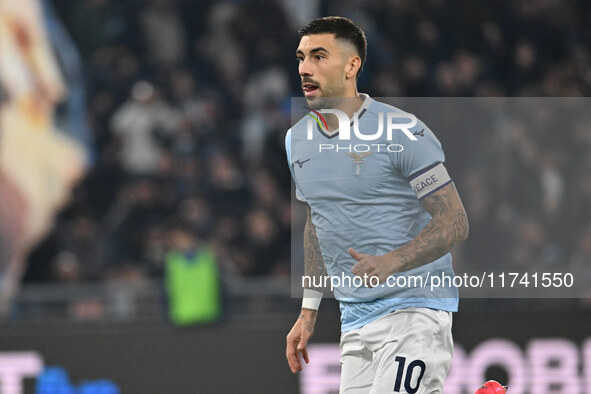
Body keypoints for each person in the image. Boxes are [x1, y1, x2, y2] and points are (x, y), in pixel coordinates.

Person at [285, 16, 469, 393]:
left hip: (414, 312)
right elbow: (316, 222)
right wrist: (309, 308)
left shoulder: (403, 131)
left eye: (319, 56)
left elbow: (454, 221)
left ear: (352, 65)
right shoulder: (297, 140)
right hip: (354, 322)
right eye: (302, 57)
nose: (305, 68)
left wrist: (392, 260)